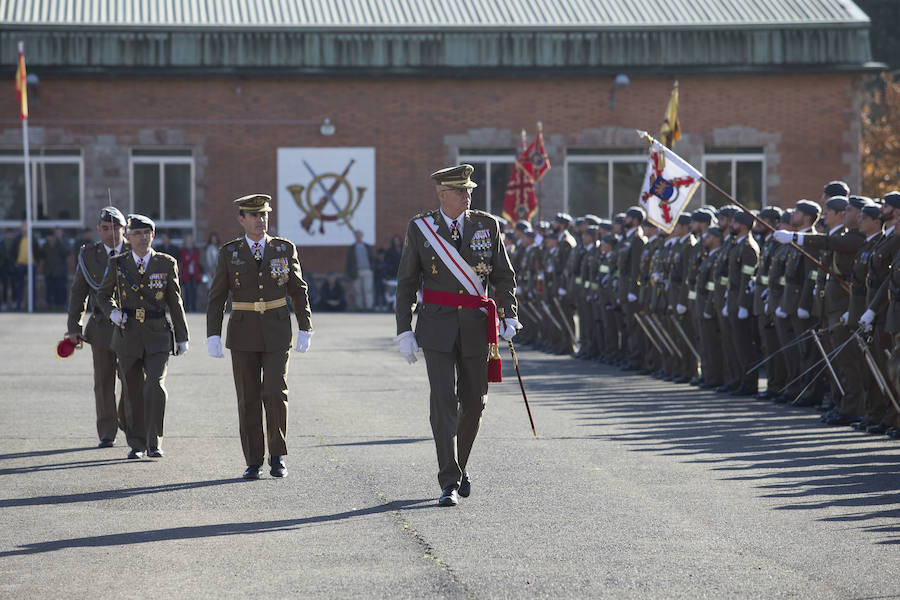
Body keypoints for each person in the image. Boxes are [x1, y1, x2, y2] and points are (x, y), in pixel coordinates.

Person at [394, 164, 518, 507]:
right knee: (443, 402)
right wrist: (404, 329)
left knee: (475, 402)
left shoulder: (487, 225)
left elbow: (503, 276)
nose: (468, 195)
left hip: (478, 326)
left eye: (469, 190)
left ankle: (459, 466)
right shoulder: (421, 228)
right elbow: (406, 283)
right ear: (441, 194)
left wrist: (509, 313)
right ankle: (448, 479)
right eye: (460, 190)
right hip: (436, 326)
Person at [206, 194, 313, 480]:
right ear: (242, 219)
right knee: (248, 397)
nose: (261, 220)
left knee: (275, 392)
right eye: (254, 216)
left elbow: (298, 289)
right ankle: (253, 460)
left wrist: (305, 326)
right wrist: (212, 334)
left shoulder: (283, 249)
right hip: (242, 332)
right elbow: (217, 297)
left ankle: (277, 456)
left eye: (264, 215)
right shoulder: (229, 253)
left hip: (277, 331)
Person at [97, 214, 189, 459]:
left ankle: (154, 441)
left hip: (157, 332)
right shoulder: (118, 263)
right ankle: (136, 444)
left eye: (147, 232)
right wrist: (113, 313)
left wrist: (182, 336)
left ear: (153, 235)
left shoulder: (166, 263)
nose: (142, 237)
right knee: (132, 390)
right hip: (128, 334)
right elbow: (102, 296)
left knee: (155, 386)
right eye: (137, 233)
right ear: (127, 237)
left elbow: (175, 302)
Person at [66, 206, 129, 447]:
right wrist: (74, 325)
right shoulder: (89, 255)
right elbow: (78, 293)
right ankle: (106, 431)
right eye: (105, 228)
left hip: (129, 326)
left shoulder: (135, 251)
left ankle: (125, 417)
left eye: (115, 228)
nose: (111, 233)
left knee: (131, 378)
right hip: (101, 327)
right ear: (98, 230)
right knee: (103, 381)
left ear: (124, 229)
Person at [345, 229, 375, 310]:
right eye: (356, 236)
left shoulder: (367, 246)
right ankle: (360, 307)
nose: (358, 237)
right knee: (358, 291)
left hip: (367, 270)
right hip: (356, 271)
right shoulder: (352, 248)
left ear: (362, 236)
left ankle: (369, 307)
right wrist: (348, 273)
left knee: (368, 290)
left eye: (359, 235)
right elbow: (349, 262)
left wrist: (372, 268)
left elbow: (372, 258)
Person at [43, 227, 69, 310]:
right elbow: (41, 255)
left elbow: (66, 253)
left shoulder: (63, 242)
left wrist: (59, 241)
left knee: (61, 288)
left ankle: (61, 304)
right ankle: (49, 304)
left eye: (59, 233)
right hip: (49, 270)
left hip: (60, 270)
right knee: (49, 288)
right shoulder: (46, 245)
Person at [178, 234, 203, 312]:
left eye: (190, 240)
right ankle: (187, 307)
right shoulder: (183, 250)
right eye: (187, 240)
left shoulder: (196, 250)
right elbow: (184, 260)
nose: (189, 241)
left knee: (194, 291)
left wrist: (189, 258)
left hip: (194, 273)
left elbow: (196, 258)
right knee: (187, 291)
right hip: (186, 274)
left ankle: (194, 307)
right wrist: (189, 259)